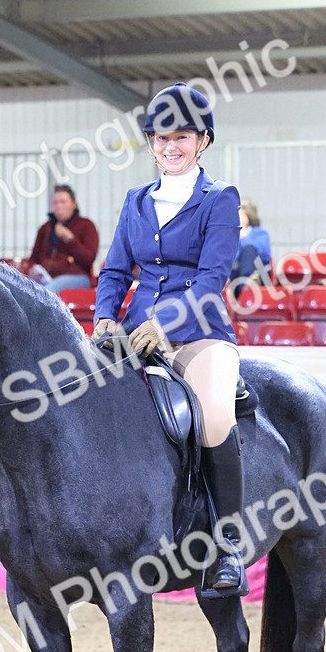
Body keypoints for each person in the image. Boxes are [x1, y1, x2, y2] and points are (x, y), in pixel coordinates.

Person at [92, 82, 246, 598]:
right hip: (134, 334)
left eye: (181, 137)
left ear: (202, 140)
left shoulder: (219, 198)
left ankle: (227, 545)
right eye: (161, 138)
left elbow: (211, 280)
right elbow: (115, 270)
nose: (169, 147)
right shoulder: (136, 200)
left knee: (216, 418)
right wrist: (104, 318)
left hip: (198, 334)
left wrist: (168, 327)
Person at [28, 185, 99, 293]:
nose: (59, 206)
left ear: (74, 204)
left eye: (63, 202)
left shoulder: (86, 225)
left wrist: (70, 239)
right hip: (46, 277)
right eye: (55, 203)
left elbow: (89, 259)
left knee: (47, 293)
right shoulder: (45, 228)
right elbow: (34, 258)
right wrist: (33, 270)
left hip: (77, 276)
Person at [231, 198, 272, 292]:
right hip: (235, 274)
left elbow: (265, 255)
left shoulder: (261, 233)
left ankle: (249, 281)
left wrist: (243, 237)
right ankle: (246, 284)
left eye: (241, 215)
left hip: (259, 273)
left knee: (249, 249)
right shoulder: (229, 236)